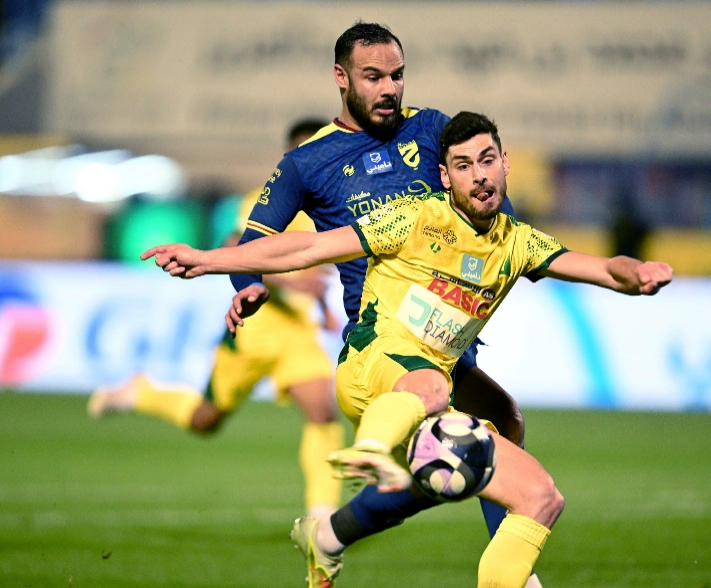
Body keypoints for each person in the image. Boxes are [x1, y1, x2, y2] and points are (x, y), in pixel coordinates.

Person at [142, 111, 673, 588]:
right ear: (445, 176)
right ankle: (369, 450)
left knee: (537, 494)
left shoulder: (518, 242)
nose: (479, 175)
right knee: (434, 389)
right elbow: (309, 246)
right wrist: (211, 260)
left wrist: (638, 274)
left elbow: (605, 268)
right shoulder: (414, 217)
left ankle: (330, 537)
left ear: (505, 163)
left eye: (487, 160)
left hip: (429, 382)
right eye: (463, 165)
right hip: (370, 368)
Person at [224, 22, 535, 578]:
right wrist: (247, 284)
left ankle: (329, 534)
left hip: (448, 332)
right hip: (387, 342)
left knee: (486, 435)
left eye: (397, 75)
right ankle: (514, 577)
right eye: (373, 77)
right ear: (341, 78)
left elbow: (487, 199)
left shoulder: (432, 128)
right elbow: (253, 244)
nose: (389, 88)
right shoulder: (307, 162)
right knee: (475, 446)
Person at [88, 119, 345, 518]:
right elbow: (235, 245)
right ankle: (141, 392)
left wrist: (323, 308)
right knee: (205, 420)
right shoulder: (268, 198)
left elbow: (315, 271)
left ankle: (321, 516)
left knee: (323, 413)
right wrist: (291, 284)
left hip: (296, 333)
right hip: (253, 326)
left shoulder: (329, 205)